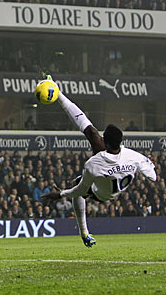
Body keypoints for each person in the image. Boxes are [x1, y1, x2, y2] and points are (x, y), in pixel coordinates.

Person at [40, 76, 157, 247]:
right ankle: (58, 93)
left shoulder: (94, 164)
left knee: (78, 182)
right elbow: (152, 176)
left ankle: (84, 233)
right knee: (90, 132)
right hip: (118, 183)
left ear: (107, 142)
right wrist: (146, 169)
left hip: (101, 194)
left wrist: (60, 194)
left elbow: (79, 190)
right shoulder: (133, 155)